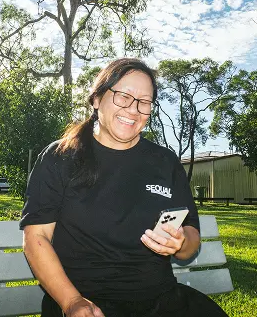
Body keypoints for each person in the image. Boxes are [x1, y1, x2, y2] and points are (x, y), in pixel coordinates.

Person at [20, 58, 228, 317]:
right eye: (123, 96)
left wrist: (181, 242)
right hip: (87, 303)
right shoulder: (60, 157)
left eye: (144, 101)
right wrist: (71, 301)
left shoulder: (165, 162)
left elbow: (190, 236)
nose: (134, 109)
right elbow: (35, 238)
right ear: (96, 99)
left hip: (161, 300)